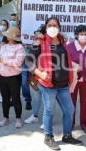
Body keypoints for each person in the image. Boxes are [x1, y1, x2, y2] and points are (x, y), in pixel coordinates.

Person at [34, 17, 82, 150]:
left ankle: (67, 135)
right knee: (49, 111)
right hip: (49, 85)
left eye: (55, 25)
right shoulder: (40, 41)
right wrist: (39, 73)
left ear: (59, 27)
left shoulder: (62, 41)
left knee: (69, 110)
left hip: (63, 85)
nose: (52, 27)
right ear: (45, 27)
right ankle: (48, 136)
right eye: (49, 25)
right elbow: (29, 61)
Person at [67, 25, 86, 135]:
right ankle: (70, 123)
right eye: (81, 34)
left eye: (85, 34)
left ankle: (85, 124)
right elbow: (65, 63)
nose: (83, 36)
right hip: (72, 81)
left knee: (85, 103)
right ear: (76, 35)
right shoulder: (69, 47)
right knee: (71, 103)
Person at [0, 27, 25, 128]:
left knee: (16, 98)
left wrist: (4, 61)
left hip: (14, 77)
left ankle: (18, 118)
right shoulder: (4, 46)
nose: (6, 36)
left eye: (8, 35)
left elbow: (18, 63)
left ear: (12, 37)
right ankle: (5, 117)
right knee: (5, 98)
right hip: (2, 75)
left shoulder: (20, 47)